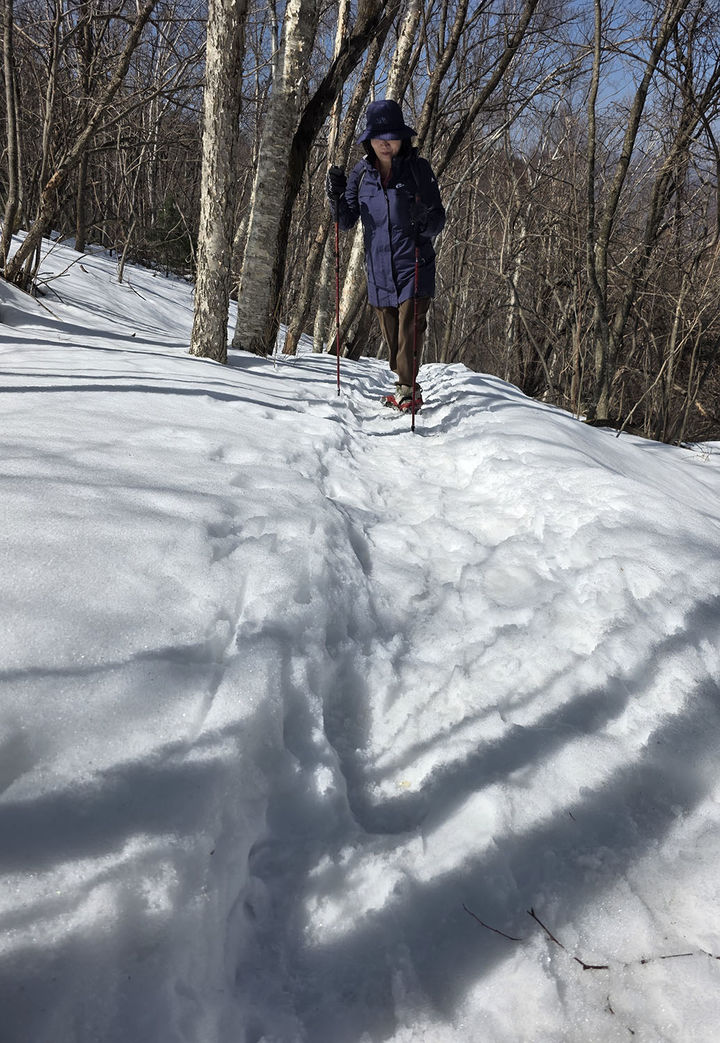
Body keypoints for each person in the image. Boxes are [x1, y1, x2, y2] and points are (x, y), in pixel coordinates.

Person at [325, 99, 446, 411]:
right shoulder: (361, 174)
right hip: (379, 272)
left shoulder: (419, 170)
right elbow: (346, 220)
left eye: (391, 137)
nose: (385, 144)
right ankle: (404, 380)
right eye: (379, 138)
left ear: (402, 138)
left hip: (414, 264)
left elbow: (438, 219)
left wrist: (424, 220)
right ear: (369, 140)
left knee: (410, 328)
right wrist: (335, 196)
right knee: (394, 342)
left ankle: (408, 390)